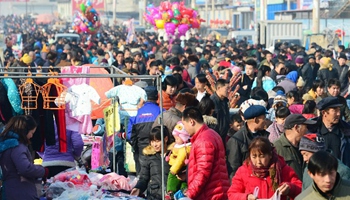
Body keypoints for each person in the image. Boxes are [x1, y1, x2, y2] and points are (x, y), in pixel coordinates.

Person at [228, 137, 302, 200]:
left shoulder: (282, 169)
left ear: (270, 155)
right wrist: (247, 197)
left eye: (262, 156)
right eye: (254, 157)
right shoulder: (243, 171)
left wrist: (290, 188)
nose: (258, 161)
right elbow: (232, 194)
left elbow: (301, 189)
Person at [182, 107, 230, 199]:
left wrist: (189, 194)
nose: (185, 129)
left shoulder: (203, 141)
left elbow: (203, 171)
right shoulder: (212, 134)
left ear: (191, 122)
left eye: (184, 125)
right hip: (216, 191)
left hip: (210, 194)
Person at [0, 115, 49, 199]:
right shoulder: (17, 146)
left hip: (10, 189)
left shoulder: (6, 144)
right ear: (24, 131)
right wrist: (43, 171)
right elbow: (25, 168)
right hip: (21, 191)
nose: (31, 136)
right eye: (31, 133)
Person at [226, 105, 269, 178]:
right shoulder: (236, 140)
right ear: (256, 120)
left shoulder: (264, 135)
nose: (266, 121)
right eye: (264, 119)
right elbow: (233, 169)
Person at [128, 86, 163, 175]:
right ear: (157, 96)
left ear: (144, 98)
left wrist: (136, 147)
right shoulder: (162, 112)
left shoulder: (135, 114)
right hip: (158, 151)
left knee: (142, 179)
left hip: (141, 151)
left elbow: (130, 136)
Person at [130, 126, 171, 199]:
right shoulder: (149, 157)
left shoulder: (174, 156)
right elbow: (143, 178)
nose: (155, 144)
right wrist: (138, 188)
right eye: (152, 141)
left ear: (166, 139)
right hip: (154, 196)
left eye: (157, 141)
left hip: (170, 196)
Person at [274, 114, 316, 180]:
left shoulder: (305, 146)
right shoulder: (276, 148)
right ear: (296, 128)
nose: (307, 130)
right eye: (305, 127)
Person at [166, 121, 191, 198]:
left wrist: (173, 170)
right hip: (181, 168)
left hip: (177, 168)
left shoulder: (184, 149)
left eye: (177, 138)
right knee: (182, 181)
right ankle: (184, 189)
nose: (175, 140)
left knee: (172, 178)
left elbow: (180, 160)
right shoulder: (179, 146)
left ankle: (170, 191)